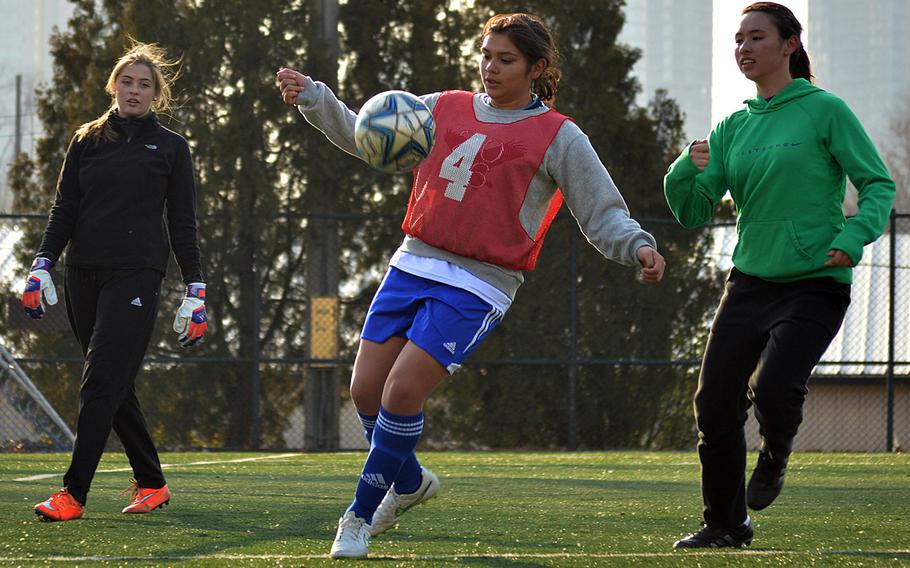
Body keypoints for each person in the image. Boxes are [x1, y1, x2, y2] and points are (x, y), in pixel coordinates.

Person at [278, 12, 665, 558]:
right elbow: (369, 136)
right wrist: (314, 98)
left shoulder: (559, 136)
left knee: (402, 392)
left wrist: (637, 246)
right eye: (486, 55)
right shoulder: (443, 107)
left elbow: (600, 210)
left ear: (537, 68)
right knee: (365, 391)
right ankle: (411, 483)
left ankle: (358, 518)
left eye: (506, 60)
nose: (491, 67)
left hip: (480, 283)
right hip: (412, 263)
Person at [664, 2, 895, 549]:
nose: (744, 48)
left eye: (756, 38)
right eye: (738, 40)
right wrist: (680, 170)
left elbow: (877, 185)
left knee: (774, 386)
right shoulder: (733, 127)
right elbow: (695, 211)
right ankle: (726, 523)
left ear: (789, 44)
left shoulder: (825, 110)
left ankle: (775, 455)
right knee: (713, 402)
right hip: (749, 283)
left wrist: (850, 238)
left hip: (817, 280)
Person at [24, 42, 208, 522]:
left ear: (156, 94)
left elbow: (183, 223)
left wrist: (196, 288)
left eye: (145, 84)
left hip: (137, 274)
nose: (135, 90)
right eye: (127, 81)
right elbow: (64, 208)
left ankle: (72, 494)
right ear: (113, 86)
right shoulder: (86, 139)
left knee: (100, 381)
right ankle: (151, 482)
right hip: (82, 272)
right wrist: (42, 262)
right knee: (115, 381)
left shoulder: (171, 147)